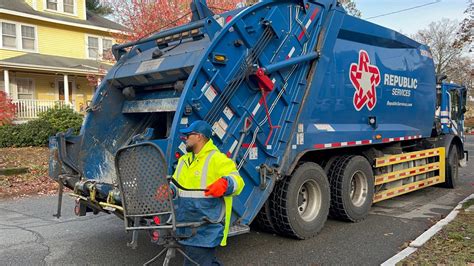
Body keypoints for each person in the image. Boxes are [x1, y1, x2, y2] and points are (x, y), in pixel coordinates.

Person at [170, 120, 245, 265]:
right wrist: (168, 190)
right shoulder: (183, 161)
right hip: (186, 224)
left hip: (206, 225)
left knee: (194, 262)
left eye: (188, 135)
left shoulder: (217, 158)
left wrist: (225, 183)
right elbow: (176, 185)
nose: (185, 138)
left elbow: (238, 181)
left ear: (199, 136)